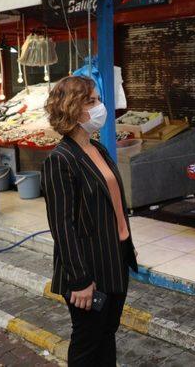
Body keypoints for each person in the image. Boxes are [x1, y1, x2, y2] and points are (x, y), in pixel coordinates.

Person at [41, 75, 138, 366]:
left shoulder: (99, 149)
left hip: (115, 257)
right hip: (88, 267)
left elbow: (113, 204)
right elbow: (63, 227)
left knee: (107, 333)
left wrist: (126, 242)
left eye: (98, 100)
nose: (100, 107)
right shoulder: (61, 159)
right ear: (72, 109)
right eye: (92, 101)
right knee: (87, 341)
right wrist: (80, 280)